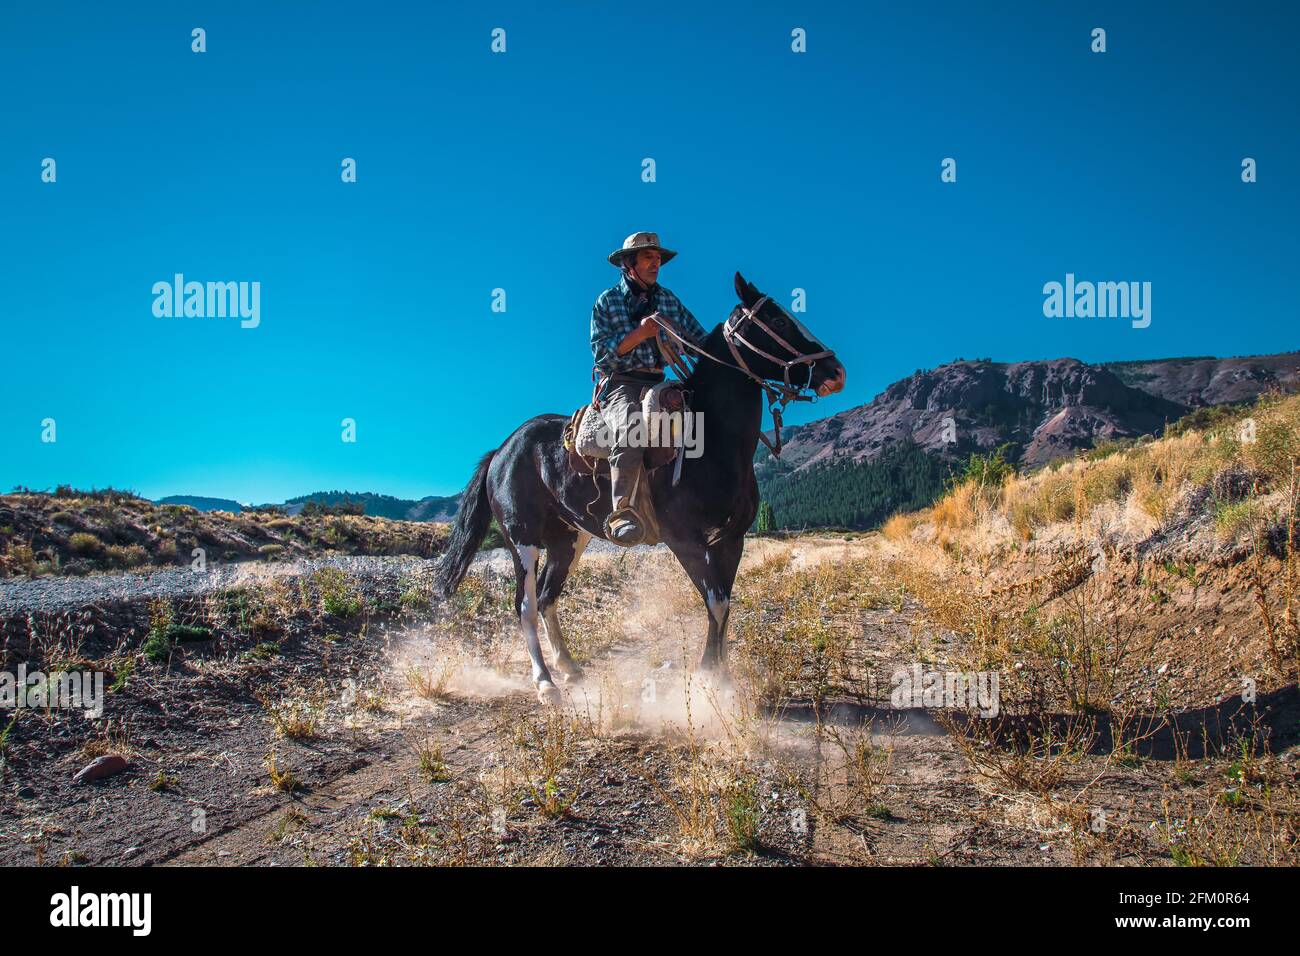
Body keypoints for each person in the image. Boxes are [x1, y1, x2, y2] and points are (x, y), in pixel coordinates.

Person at [589, 232, 708, 545]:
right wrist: (641, 333)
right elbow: (602, 354)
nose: (656, 264)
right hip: (620, 382)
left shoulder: (668, 299)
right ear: (629, 263)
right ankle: (623, 514)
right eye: (648, 258)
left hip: (659, 380)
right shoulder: (607, 301)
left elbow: (699, 341)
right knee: (631, 427)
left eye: (658, 259)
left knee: (703, 419)